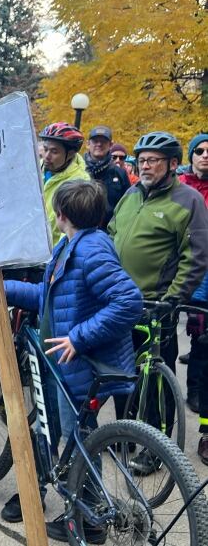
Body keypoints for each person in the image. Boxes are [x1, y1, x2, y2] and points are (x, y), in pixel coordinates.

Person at [0, 179, 142, 541]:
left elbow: (129, 301)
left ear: (61, 214)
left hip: (78, 364)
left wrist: (79, 336)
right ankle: (56, 499)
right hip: (64, 361)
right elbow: (49, 296)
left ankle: (89, 523)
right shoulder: (72, 244)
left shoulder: (91, 250)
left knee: (79, 438)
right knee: (67, 435)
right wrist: (5, 290)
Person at [108, 131, 208, 474]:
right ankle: (125, 433)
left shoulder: (188, 200)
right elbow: (111, 234)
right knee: (121, 372)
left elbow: (195, 256)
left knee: (156, 382)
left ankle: (157, 447)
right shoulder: (131, 194)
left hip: (156, 305)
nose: (145, 165)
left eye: (153, 160)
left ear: (172, 165)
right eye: (142, 159)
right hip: (119, 300)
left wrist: (174, 298)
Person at [177, 134, 208, 461]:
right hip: (193, 282)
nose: (204, 156)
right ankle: (194, 391)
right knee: (199, 344)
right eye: (198, 151)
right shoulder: (181, 189)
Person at [39, 122, 90, 245]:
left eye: (54, 152)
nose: (47, 156)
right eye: (45, 149)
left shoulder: (79, 182)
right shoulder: (36, 167)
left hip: (51, 255)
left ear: (70, 154)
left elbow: (72, 229)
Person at [83, 126, 131, 227]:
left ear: (110, 145)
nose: (99, 144)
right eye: (95, 141)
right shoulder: (78, 170)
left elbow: (127, 206)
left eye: (103, 141)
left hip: (109, 232)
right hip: (80, 230)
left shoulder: (120, 173)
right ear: (88, 144)